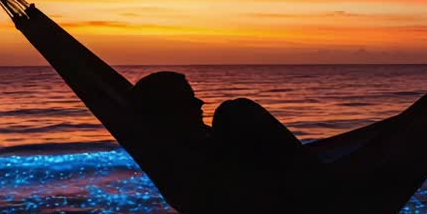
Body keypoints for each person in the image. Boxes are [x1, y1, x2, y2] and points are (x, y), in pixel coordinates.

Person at [127, 71, 305, 170]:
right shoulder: (187, 156)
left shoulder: (184, 145)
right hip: (279, 195)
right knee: (235, 108)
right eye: (187, 99)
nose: (200, 102)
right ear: (165, 109)